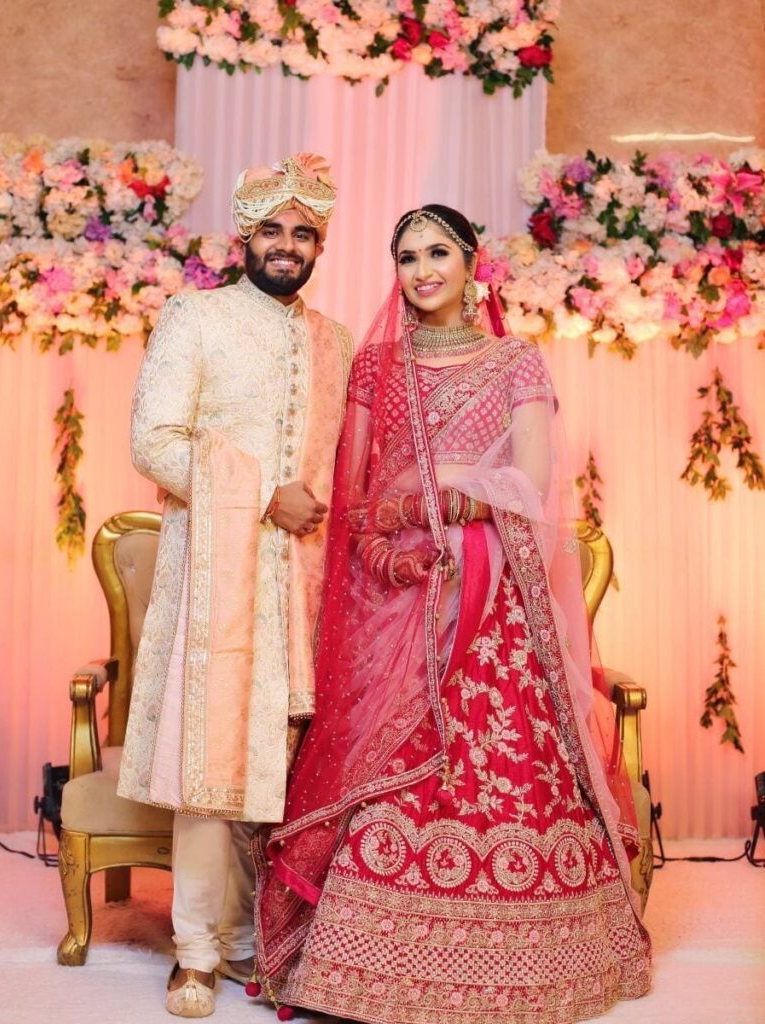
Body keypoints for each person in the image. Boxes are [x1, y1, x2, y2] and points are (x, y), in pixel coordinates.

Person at [253, 204, 651, 1023]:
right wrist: (390, 552)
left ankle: (520, 961)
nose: (421, 269)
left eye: (437, 252)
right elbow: (355, 500)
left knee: (500, 749)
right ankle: (356, 962)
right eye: (405, 257)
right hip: (393, 599)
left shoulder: (514, 360)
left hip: (484, 592)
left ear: (472, 261)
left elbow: (530, 480)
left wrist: (449, 499)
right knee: (377, 751)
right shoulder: (373, 368)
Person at [116, 154, 353, 1018]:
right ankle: (195, 953)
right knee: (210, 759)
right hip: (219, 571)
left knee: (289, 767)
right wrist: (260, 496)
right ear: (242, 238)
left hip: (308, 580)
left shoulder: (333, 341)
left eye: (303, 233)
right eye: (271, 231)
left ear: (319, 245)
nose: (286, 246)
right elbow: (155, 441)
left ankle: (268, 941)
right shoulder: (195, 317)